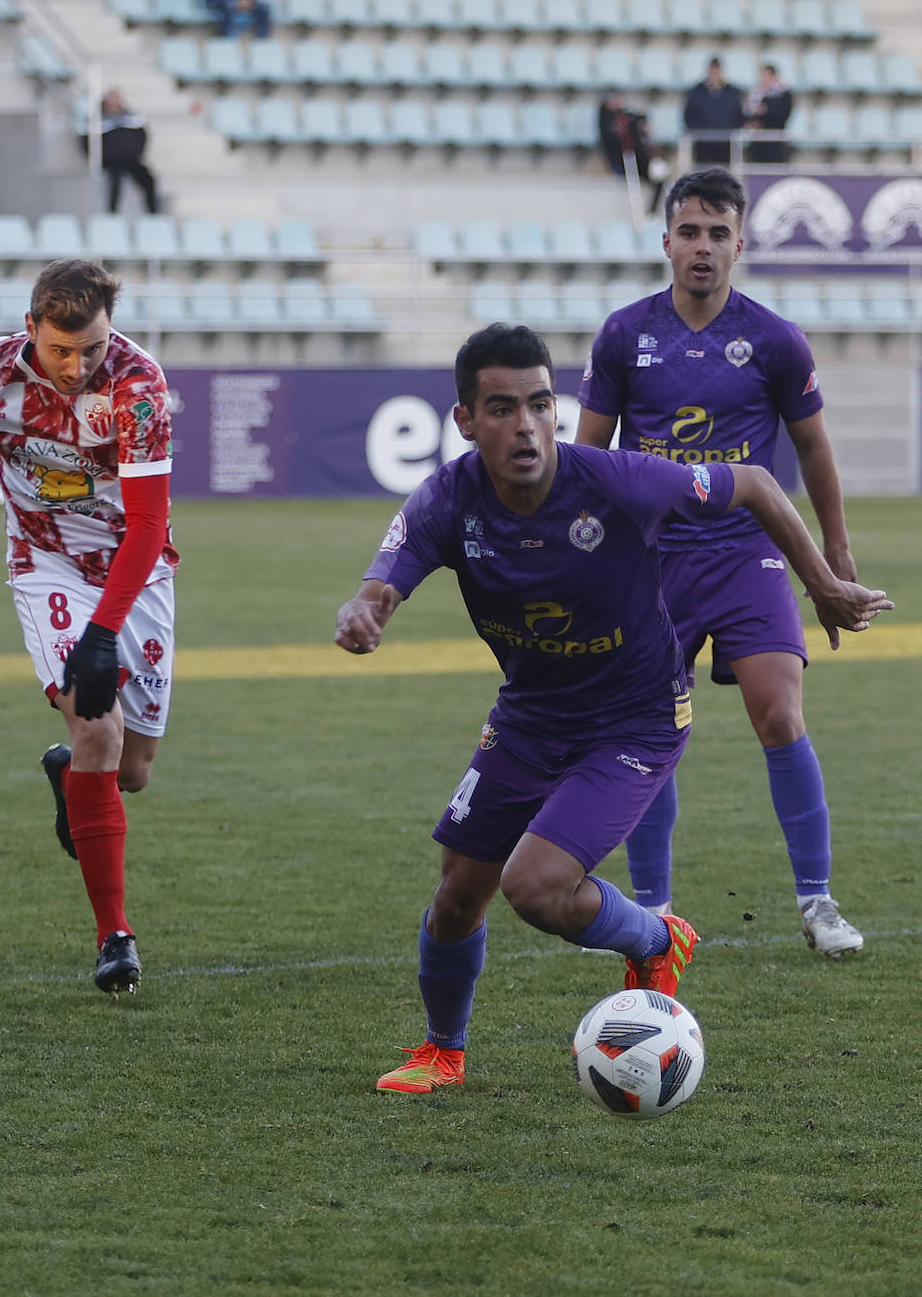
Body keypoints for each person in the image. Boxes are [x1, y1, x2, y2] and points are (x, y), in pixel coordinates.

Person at [336, 322, 890, 1094]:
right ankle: (442, 1052)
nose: (524, 425)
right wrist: (365, 613)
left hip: (633, 722)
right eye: (500, 408)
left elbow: (759, 485)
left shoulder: (617, 481)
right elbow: (381, 582)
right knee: (458, 891)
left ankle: (656, 937)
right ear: (464, 420)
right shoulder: (445, 499)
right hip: (529, 716)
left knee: (534, 887)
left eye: (537, 404)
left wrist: (824, 586)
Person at [575, 166, 869, 958]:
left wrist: (833, 561)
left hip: (747, 555)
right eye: (688, 232)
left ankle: (817, 903)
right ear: (664, 240)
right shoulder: (622, 335)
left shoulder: (773, 339)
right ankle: (654, 914)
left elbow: (811, 450)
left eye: (716, 234)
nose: (701, 247)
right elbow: (587, 457)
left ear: (740, 242)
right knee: (650, 731)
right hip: (651, 563)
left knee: (778, 713)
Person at [0, 259, 179, 996]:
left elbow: (150, 523)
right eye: (62, 350)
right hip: (45, 561)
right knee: (97, 726)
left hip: (134, 563)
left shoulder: (137, 385)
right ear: (31, 328)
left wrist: (106, 630)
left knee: (133, 772)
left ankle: (71, 776)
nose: (77, 365)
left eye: (90, 348)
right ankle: (114, 936)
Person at [78, 89, 161, 214]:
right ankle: (112, 214)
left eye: (117, 100)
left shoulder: (132, 118)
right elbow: (87, 142)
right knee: (114, 182)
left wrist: (136, 152)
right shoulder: (97, 120)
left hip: (131, 159)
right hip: (111, 162)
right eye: (111, 100)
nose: (114, 103)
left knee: (148, 180)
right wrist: (102, 157)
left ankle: (153, 213)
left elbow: (143, 137)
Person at [597, 92, 665, 214]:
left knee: (659, 180)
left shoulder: (625, 115)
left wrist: (643, 125)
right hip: (624, 159)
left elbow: (640, 117)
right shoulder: (606, 121)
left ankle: (652, 211)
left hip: (637, 157)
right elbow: (612, 138)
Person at [682, 56, 744, 167]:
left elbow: (739, 116)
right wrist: (698, 132)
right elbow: (688, 116)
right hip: (702, 143)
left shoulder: (732, 92)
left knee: (724, 176)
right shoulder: (696, 92)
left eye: (717, 70)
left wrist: (731, 131)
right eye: (713, 70)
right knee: (703, 175)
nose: (715, 74)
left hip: (726, 144)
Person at [744, 63, 794, 164]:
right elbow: (747, 115)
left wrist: (765, 111)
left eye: (765, 76)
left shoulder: (784, 95)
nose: (763, 79)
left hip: (775, 143)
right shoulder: (756, 95)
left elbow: (782, 116)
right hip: (757, 143)